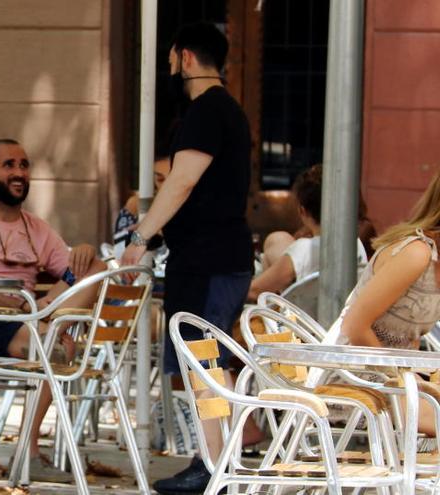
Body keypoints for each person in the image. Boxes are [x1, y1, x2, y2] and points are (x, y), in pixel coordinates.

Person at [120, 22, 252, 494]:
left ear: (185, 57)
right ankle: (219, 458)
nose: (171, 66)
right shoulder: (228, 111)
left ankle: (214, 463)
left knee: (203, 362)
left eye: (173, 58)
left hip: (207, 259)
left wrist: (142, 234)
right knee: (209, 361)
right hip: (220, 255)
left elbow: (182, 180)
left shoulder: (206, 111)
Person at [0, 138, 105, 475]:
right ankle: (28, 451)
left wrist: (86, 252)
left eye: (24, 165)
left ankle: (25, 450)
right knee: (55, 347)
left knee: (94, 277)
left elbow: (85, 272)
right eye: (9, 165)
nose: (19, 172)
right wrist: (22, 309)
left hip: (29, 319)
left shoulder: (37, 229)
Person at [341, 170, 440, 436]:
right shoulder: (417, 253)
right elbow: (355, 326)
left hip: (400, 379)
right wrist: (405, 378)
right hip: (361, 375)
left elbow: (409, 339)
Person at [247, 165, 368, 301]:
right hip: (341, 315)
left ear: (302, 211)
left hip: (300, 319)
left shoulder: (304, 250)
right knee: (278, 239)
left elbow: (253, 291)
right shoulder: (355, 244)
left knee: (275, 242)